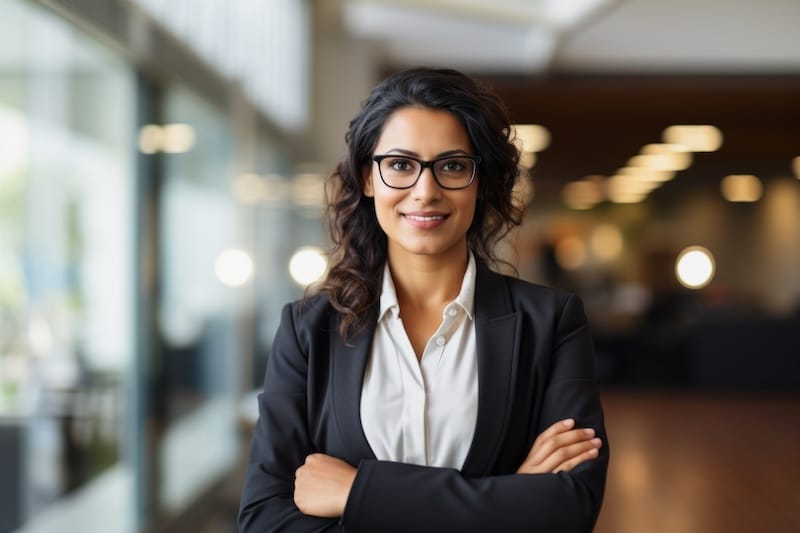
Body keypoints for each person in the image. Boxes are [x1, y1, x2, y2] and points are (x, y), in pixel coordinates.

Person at [238, 67, 608, 532]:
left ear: (482, 181)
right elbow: (263, 520)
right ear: (367, 178)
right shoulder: (308, 330)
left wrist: (358, 493)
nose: (426, 191)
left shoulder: (549, 323)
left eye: (452, 165)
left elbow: (569, 509)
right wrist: (508, 496)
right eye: (400, 165)